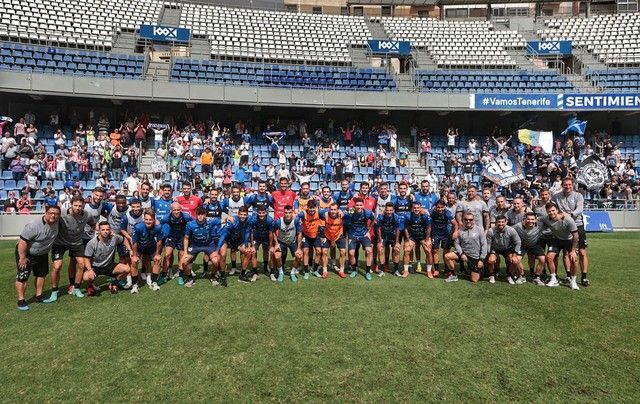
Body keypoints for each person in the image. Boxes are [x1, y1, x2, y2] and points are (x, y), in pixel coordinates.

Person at [44, 196, 93, 303]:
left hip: (76, 243)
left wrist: (95, 230)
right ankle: (54, 291)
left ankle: (77, 287)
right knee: (57, 266)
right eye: (75, 205)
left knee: (81, 264)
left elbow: (93, 223)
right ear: (71, 204)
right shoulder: (62, 213)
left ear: (83, 205)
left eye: (80, 205)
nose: (78, 208)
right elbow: (50, 220)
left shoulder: (87, 215)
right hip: (59, 243)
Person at [15, 205, 61, 311]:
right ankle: (21, 300)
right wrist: (22, 258)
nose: (53, 215)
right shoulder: (33, 225)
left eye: (56, 214)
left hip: (42, 253)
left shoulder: (58, 222)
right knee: (23, 277)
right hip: (26, 253)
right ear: (45, 212)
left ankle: (39, 296)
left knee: (41, 275)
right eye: (51, 213)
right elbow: (22, 242)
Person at [551, 177, 589, 286]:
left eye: (569, 184)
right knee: (566, 253)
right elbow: (551, 207)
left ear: (573, 185)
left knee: (582, 252)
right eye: (565, 185)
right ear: (562, 185)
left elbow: (580, 209)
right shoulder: (556, 196)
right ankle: (568, 275)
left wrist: (570, 215)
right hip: (563, 226)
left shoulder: (578, 196)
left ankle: (584, 277)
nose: (567, 186)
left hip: (578, 224)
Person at [538, 202, 580, 290]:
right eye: (549, 211)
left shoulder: (568, 219)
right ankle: (554, 279)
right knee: (549, 257)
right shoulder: (546, 219)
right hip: (556, 239)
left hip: (569, 240)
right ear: (547, 212)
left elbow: (576, 235)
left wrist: (573, 250)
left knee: (574, 259)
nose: (551, 213)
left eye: (553, 210)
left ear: (557, 210)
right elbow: (538, 219)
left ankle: (573, 280)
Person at [83, 221, 132, 294]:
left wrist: (130, 249)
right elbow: (86, 259)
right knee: (86, 277)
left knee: (127, 269)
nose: (105, 232)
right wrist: (90, 270)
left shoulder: (114, 237)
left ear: (110, 230)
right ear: (99, 231)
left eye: (107, 229)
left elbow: (124, 239)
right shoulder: (92, 243)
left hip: (109, 265)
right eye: (103, 230)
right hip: (96, 267)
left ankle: (114, 283)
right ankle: (90, 286)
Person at [180, 207, 224, 288]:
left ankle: (213, 277)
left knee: (216, 261)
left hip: (208, 245)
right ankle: (190, 278)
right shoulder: (190, 224)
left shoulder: (211, 221)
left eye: (202, 214)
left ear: (205, 215)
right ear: (196, 215)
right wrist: (185, 252)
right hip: (195, 246)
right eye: (198, 214)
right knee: (184, 261)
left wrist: (229, 217)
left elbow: (223, 220)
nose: (200, 216)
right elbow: (186, 238)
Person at [444, 212, 488, 283]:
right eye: (466, 219)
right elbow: (457, 243)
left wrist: (482, 259)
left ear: (474, 220)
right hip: (463, 253)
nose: (468, 221)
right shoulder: (460, 230)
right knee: (447, 256)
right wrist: (461, 254)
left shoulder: (479, 230)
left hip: (475, 256)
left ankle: (476, 270)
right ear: (463, 220)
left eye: (470, 219)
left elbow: (484, 245)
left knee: (474, 280)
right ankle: (453, 275)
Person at [130, 209, 164, 292]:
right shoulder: (138, 227)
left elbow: (159, 242)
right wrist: (134, 255)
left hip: (151, 246)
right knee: (134, 262)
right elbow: (134, 242)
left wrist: (158, 253)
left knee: (158, 260)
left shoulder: (158, 227)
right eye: (146, 219)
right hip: (139, 246)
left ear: (154, 219)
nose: (148, 222)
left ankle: (154, 282)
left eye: (150, 220)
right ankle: (134, 285)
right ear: (143, 219)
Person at [344, 198, 375, 280]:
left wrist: (368, 230)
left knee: (369, 250)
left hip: (363, 234)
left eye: (360, 205)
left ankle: (368, 272)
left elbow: (374, 219)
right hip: (353, 235)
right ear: (354, 206)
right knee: (351, 253)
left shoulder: (367, 212)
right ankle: (354, 270)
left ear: (363, 205)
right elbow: (343, 216)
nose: (359, 206)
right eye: (357, 205)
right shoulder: (351, 212)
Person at [485, 215, 523, 285]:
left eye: (503, 222)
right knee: (491, 259)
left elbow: (518, 242)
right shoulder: (491, 231)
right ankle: (492, 274)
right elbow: (488, 244)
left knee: (514, 260)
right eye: (499, 222)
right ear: (496, 222)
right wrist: (489, 254)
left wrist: (514, 255)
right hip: (495, 249)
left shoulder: (511, 230)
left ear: (506, 222)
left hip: (507, 249)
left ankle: (509, 275)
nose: (501, 224)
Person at [218, 206, 252, 282]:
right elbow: (223, 235)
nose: (242, 216)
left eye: (244, 214)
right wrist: (217, 249)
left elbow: (247, 232)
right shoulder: (232, 221)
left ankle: (242, 275)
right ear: (238, 214)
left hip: (236, 239)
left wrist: (245, 244)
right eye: (241, 214)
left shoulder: (249, 220)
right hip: (226, 239)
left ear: (247, 215)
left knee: (248, 253)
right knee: (223, 254)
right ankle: (222, 276)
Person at [512, 212, 547, 286]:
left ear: (535, 220)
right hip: (522, 245)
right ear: (524, 219)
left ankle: (537, 277)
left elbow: (551, 222)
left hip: (535, 244)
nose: (530, 221)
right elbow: (509, 230)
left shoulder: (541, 225)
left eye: (532, 219)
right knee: (516, 259)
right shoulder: (518, 226)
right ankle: (522, 276)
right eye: (528, 219)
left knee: (543, 259)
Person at [271, 205, 303, 283]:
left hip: (292, 241)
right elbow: (273, 232)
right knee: (277, 256)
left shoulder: (296, 220)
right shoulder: (279, 221)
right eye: (286, 213)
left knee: (299, 255)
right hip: (281, 242)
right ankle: (281, 272)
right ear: (283, 213)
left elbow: (299, 233)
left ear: (292, 213)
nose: (287, 214)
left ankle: (292, 272)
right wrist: (276, 244)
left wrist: (299, 247)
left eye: (289, 213)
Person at [429, 199, 458, 279]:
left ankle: (447, 269)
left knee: (446, 252)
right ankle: (437, 270)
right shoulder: (433, 213)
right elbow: (428, 222)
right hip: (435, 234)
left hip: (445, 234)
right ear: (436, 207)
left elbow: (455, 224)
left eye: (442, 207)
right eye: (438, 207)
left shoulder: (447, 213)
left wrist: (455, 232)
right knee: (435, 251)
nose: (440, 209)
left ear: (445, 207)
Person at [402, 202, 432, 277]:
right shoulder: (408, 216)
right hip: (413, 236)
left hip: (423, 236)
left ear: (420, 208)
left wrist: (427, 239)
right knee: (406, 250)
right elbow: (406, 228)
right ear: (412, 208)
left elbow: (428, 228)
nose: (416, 209)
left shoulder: (425, 216)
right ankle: (406, 270)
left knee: (428, 251)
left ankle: (429, 271)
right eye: (414, 208)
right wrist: (408, 239)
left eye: (418, 208)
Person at [318, 203, 346, 279]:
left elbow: (351, 211)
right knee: (324, 251)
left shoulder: (341, 214)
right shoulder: (324, 214)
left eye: (335, 209)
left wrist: (343, 212)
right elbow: (315, 212)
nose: (333, 211)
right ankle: (325, 271)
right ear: (329, 209)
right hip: (327, 235)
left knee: (343, 252)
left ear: (338, 210)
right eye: (331, 209)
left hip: (338, 235)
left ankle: (341, 270)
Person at [297, 199, 323, 280]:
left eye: (313, 208)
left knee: (319, 251)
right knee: (305, 252)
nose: (311, 210)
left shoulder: (319, 212)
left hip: (316, 235)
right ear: (307, 207)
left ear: (316, 207)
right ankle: (306, 271)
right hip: (306, 235)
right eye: (310, 208)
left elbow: (328, 214)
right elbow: (296, 216)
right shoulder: (303, 213)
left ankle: (315, 270)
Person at [248, 205, 275, 281]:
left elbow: (270, 233)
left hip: (266, 237)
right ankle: (255, 272)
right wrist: (252, 245)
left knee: (269, 251)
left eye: (263, 213)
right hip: (257, 237)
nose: (261, 214)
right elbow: (252, 233)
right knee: (253, 252)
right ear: (257, 213)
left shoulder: (269, 220)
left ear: (266, 213)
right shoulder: (253, 220)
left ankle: (268, 269)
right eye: (260, 213)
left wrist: (270, 245)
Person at [375, 202, 402, 277]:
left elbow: (397, 230)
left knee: (397, 250)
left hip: (392, 235)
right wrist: (380, 241)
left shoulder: (396, 217)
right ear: (385, 210)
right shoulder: (380, 217)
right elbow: (378, 229)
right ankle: (382, 270)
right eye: (387, 210)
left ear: (393, 210)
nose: (389, 212)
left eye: (391, 210)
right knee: (380, 249)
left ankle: (396, 270)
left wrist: (397, 242)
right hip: (383, 235)